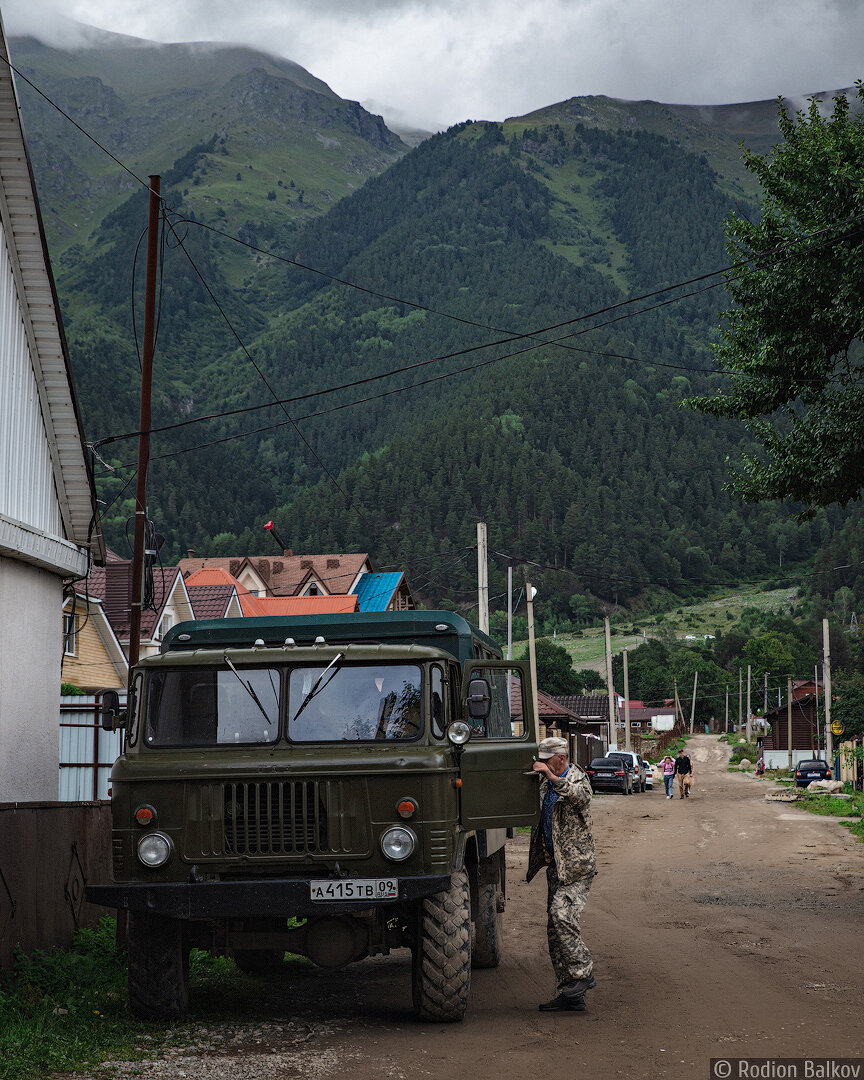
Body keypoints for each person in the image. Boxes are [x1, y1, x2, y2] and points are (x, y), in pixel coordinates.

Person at [526, 736, 597, 1013]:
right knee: (554, 932)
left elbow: (582, 799)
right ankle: (571, 995)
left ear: (561, 758)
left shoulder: (576, 777)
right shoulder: (545, 781)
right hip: (556, 866)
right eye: (542, 760)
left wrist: (552, 778)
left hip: (577, 865)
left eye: (547, 760)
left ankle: (583, 972)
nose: (543, 765)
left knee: (561, 915)